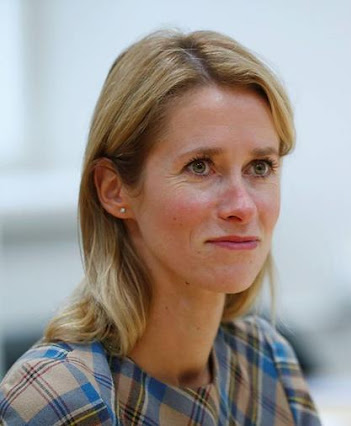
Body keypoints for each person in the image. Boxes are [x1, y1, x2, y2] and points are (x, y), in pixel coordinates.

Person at [0, 29, 320, 425]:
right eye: (200, 166)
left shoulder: (269, 365)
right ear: (114, 189)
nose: (242, 206)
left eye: (260, 167)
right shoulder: (59, 399)